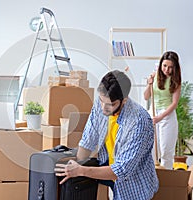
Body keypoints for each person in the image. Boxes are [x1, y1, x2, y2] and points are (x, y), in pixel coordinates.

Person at [55, 70, 158, 200]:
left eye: (110, 104)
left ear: (124, 101)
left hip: (134, 187)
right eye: (101, 101)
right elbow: (88, 139)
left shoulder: (139, 121)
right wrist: (75, 167)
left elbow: (122, 170)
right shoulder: (101, 104)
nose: (103, 108)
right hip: (109, 172)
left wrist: (81, 170)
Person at [143, 51, 182, 169]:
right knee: (152, 150)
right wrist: (148, 84)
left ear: (175, 68)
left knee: (166, 151)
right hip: (153, 113)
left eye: (170, 67)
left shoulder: (176, 81)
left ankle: (167, 180)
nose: (167, 69)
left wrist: (161, 117)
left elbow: (174, 103)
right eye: (164, 66)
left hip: (167, 115)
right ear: (160, 65)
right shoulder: (154, 76)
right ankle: (152, 179)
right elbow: (146, 97)